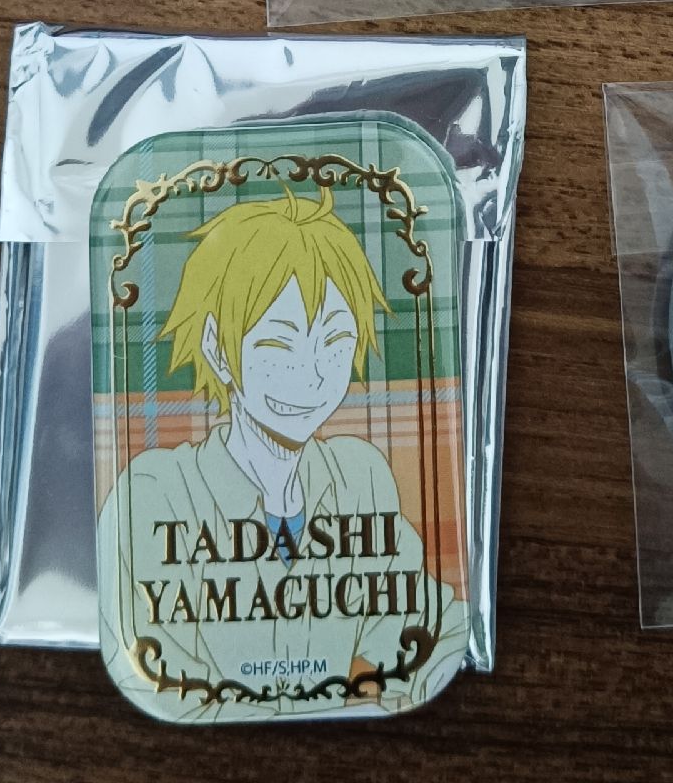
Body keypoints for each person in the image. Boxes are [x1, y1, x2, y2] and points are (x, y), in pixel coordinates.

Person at [100, 188, 465, 717]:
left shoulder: (358, 478)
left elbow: (427, 629)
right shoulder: (153, 497)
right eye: (279, 343)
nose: (313, 376)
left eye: (335, 341)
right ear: (216, 348)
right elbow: (170, 691)